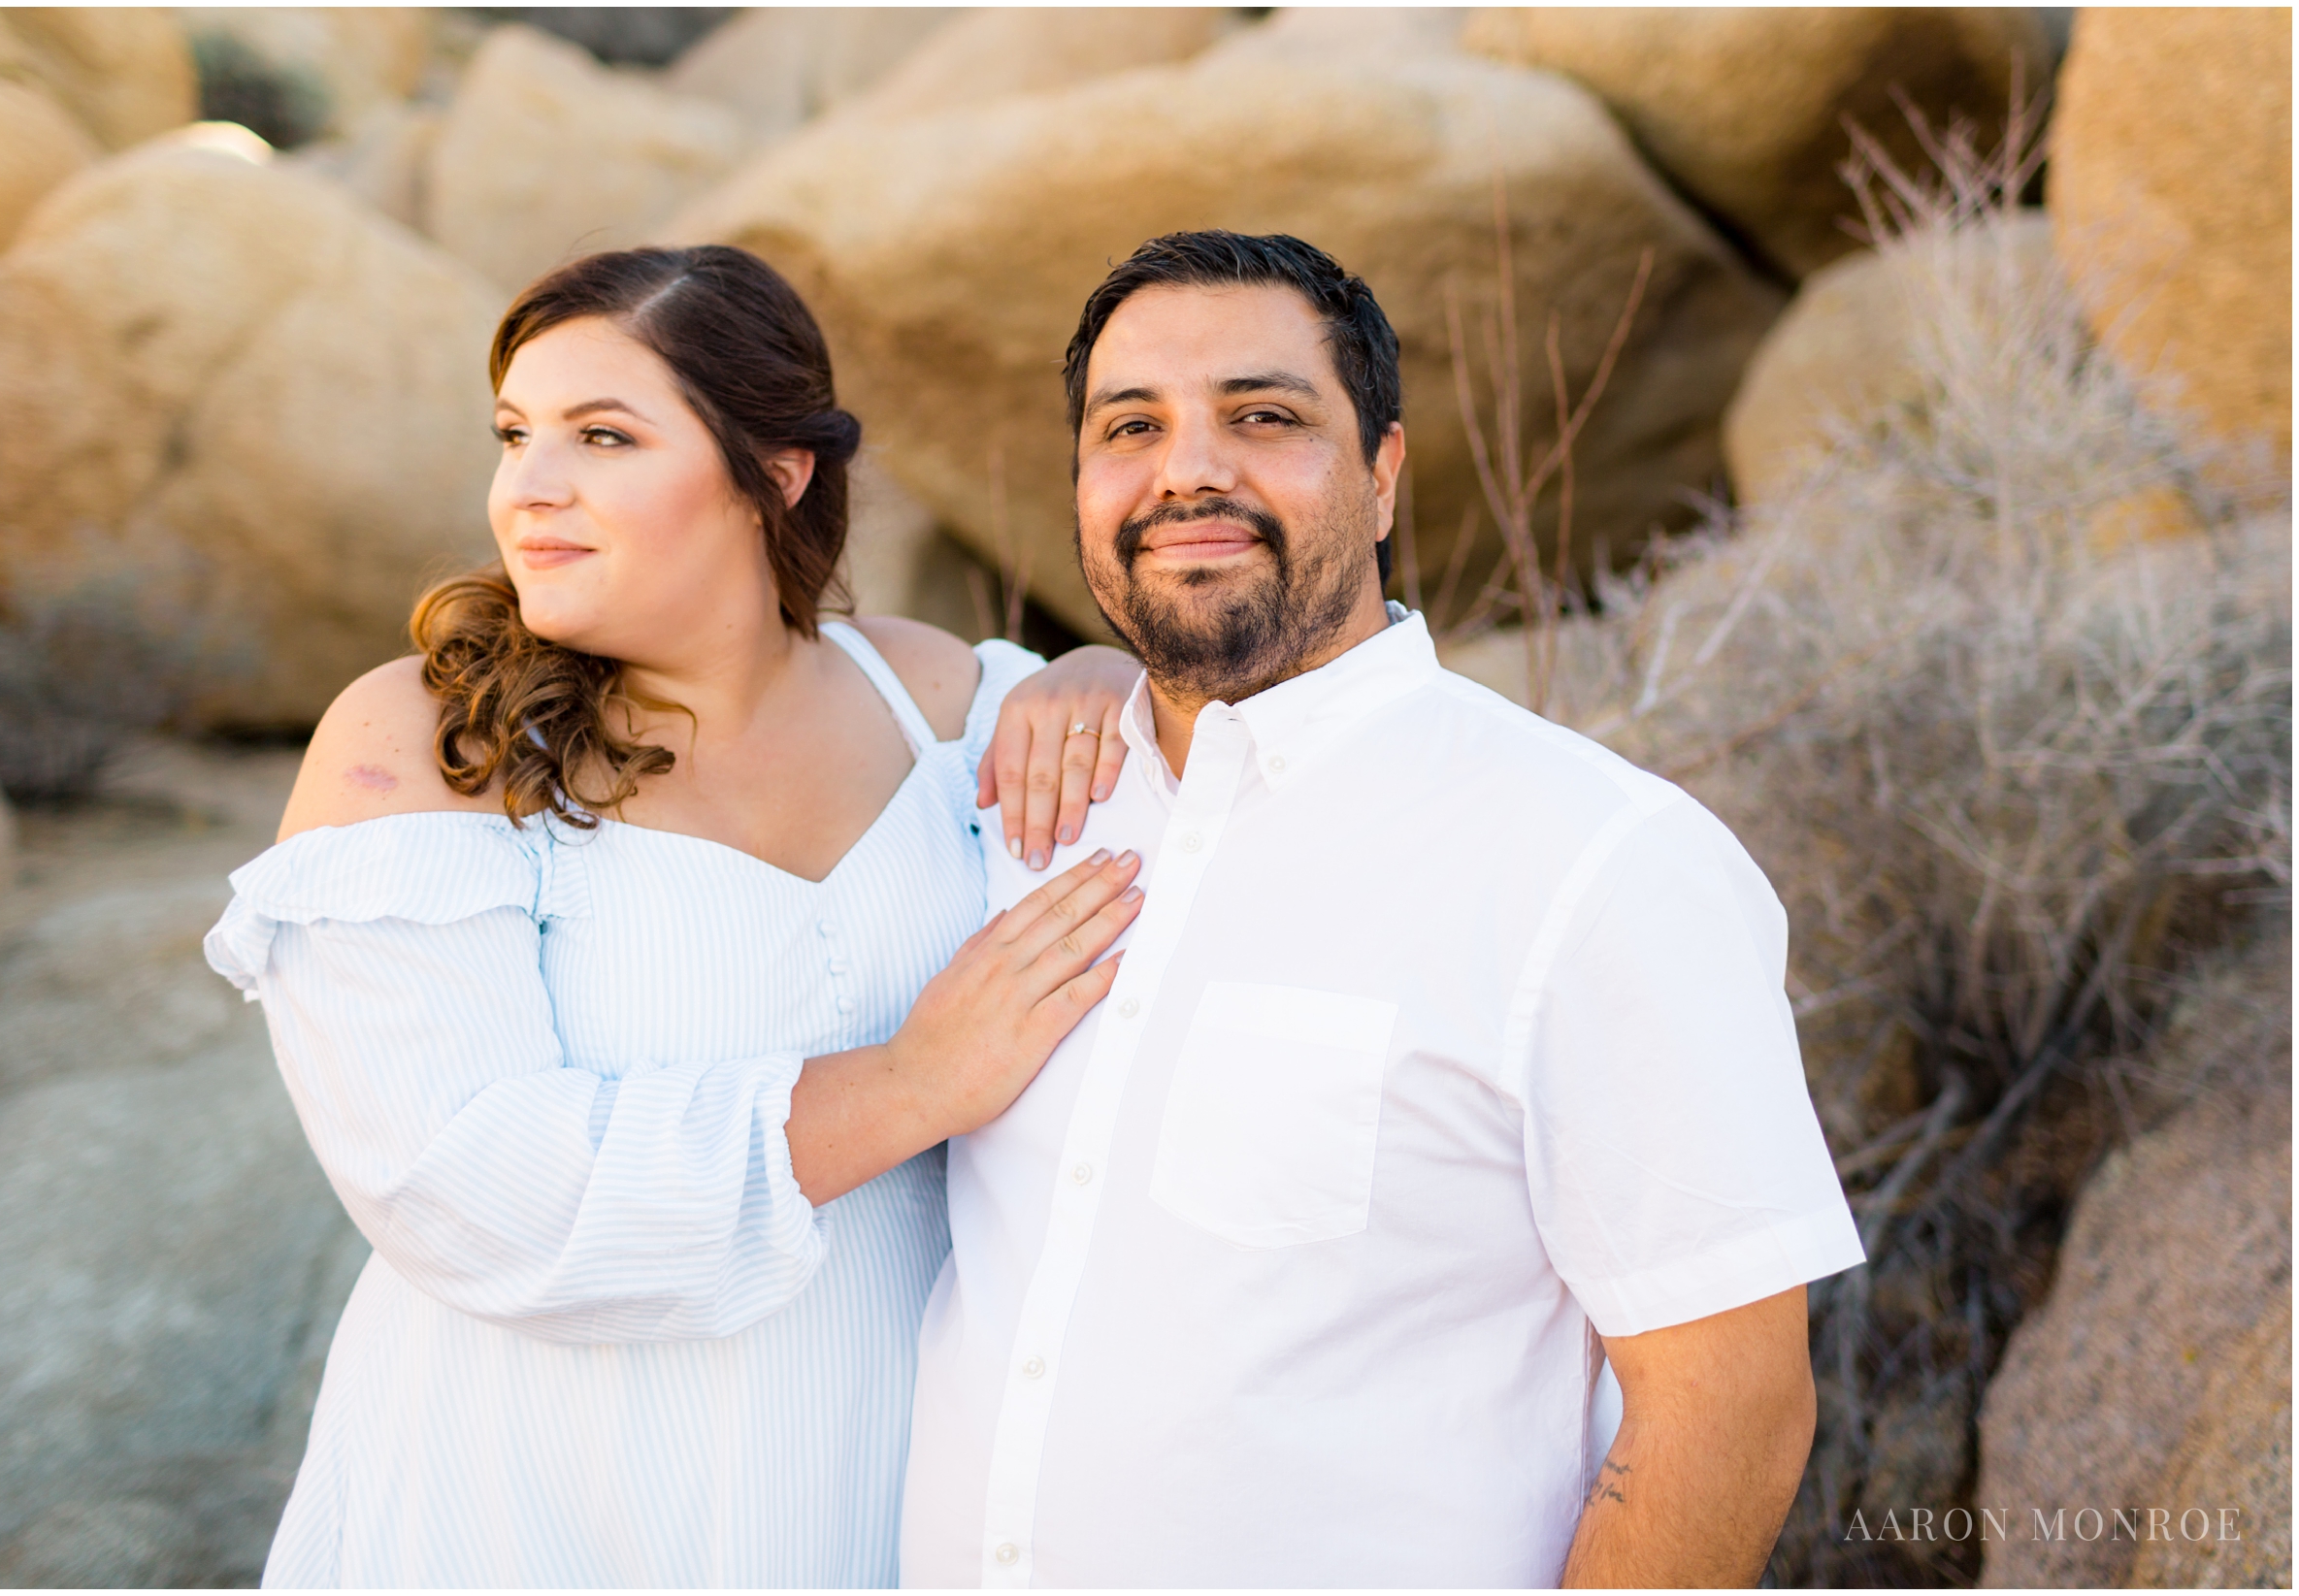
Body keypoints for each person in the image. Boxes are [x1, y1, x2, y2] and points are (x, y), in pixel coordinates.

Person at [900, 231, 1867, 1588]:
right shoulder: (1014, 810)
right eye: (1134, 426)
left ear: (1384, 475)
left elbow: (1733, 1408)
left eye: (1265, 416)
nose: (1188, 469)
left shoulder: (1595, 860)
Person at [204, 244, 1145, 1587]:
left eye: (602, 436)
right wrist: (908, 1084)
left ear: (774, 473)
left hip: (869, 1478)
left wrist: (1102, 674)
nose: (529, 488)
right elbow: (466, 1181)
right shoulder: (421, 740)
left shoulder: (934, 699)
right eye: (515, 435)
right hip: (539, 1498)